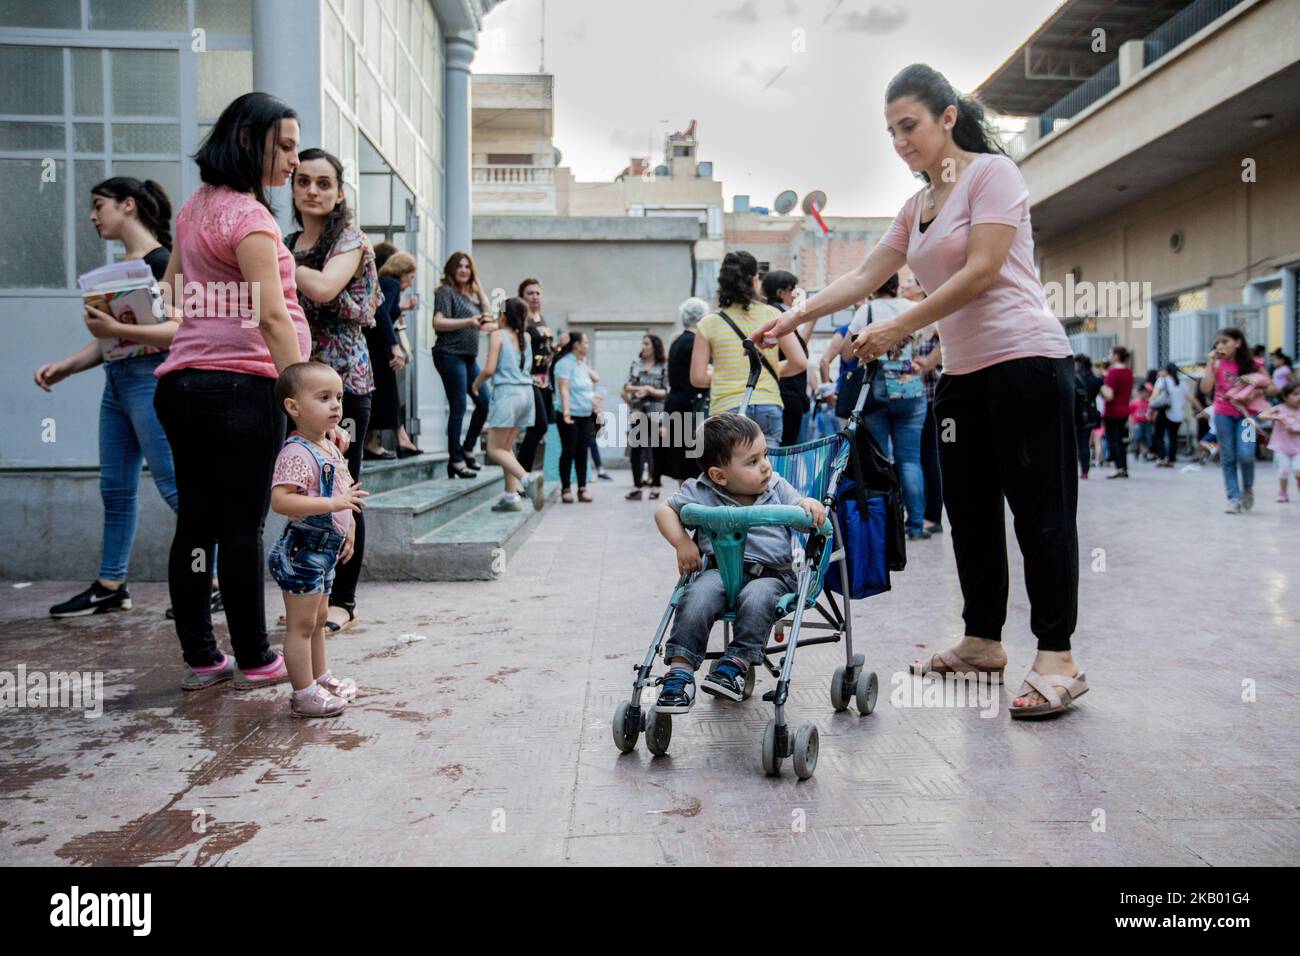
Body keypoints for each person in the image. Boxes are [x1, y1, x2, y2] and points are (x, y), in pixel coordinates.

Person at [755, 64, 1086, 718]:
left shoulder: (993, 176)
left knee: (1039, 512)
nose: (900, 141)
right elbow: (864, 275)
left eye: (909, 126)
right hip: (963, 377)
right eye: (891, 131)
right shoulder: (916, 208)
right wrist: (796, 316)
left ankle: (1059, 658)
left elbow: (984, 270)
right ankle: (983, 640)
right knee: (969, 510)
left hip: (1028, 364)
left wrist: (901, 326)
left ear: (947, 118)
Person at [154, 92, 312, 691]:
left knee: (196, 523)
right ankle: (254, 658)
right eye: (288, 146)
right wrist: (302, 404)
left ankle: (201, 656)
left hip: (183, 385)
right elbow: (274, 319)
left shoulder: (194, 210)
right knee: (242, 525)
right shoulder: (249, 218)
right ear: (249, 141)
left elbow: (169, 296)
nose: (294, 161)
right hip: (242, 388)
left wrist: (212, 316)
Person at [35, 177, 185, 618]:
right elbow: (111, 343)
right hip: (118, 383)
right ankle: (111, 585)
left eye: (99, 205)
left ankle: (211, 579)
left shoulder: (163, 262)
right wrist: (66, 366)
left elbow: (177, 331)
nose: (92, 215)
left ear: (128, 206)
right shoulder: (119, 269)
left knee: (175, 486)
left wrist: (115, 330)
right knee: (115, 489)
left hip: (152, 381)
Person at [651, 414, 827, 711]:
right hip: (719, 570)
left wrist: (809, 506)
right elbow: (664, 510)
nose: (766, 466)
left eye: (765, 455)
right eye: (752, 461)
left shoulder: (776, 487)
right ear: (719, 475)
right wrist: (682, 542)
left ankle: (735, 663)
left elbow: (800, 508)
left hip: (771, 575)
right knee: (695, 597)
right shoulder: (702, 490)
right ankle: (680, 673)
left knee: (757, 598)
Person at [286, 148, 383, 634]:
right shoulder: (287, 241)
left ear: (339, 192)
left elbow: (323, 288)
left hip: (343, 382)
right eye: (303, 181)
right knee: (303, 487)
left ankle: (344, 598)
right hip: (295, 380)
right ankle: (310, 590)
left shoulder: (349, 238)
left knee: (341, 486)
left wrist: (279, 261)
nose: (313, 190)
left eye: (324, 183)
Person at [267, 362, 366, 717]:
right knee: (301, 624)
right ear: (293, 407)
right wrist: (331, 504)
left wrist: (350, 527)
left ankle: (320, 677)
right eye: (324, 398)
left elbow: (345, 491)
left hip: (325, 550)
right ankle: (302, 693)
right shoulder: (296, 453)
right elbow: (281, 501)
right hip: (303, 550)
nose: (336, 406)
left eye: (338, 397)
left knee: (320, 617)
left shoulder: (328, 446)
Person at [693, 251, 807, 447]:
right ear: (755, 280)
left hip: (726, 406)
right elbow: (799, 363)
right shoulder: (773, 314)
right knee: (766, 471)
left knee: (731, 472)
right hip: (767, 402)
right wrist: (765, 371)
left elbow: (698, 378)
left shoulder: (708, 324)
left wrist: (726, 374)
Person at [850, 274, 926, 539]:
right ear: (895, 286)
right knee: (910, 461)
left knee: (880, 461)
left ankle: (885, 525)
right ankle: (916, 525)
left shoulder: (866, 311)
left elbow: (851, 351)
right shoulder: (913, 309)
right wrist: (925, 362)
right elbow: (939, 336)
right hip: (910, 389)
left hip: (876, 391)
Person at [473, 297, 545, 512]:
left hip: (507, 395)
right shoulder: (526, 337)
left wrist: (476, 385)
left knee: (494, 449)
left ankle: (526, 481)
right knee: (506, 448)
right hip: (526, 395)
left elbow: (488, 369)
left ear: (502, 315)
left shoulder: (497, 336)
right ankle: (510, 496)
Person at [433, 251, 495, 478]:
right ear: (451, 268)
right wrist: (468, 321)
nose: (463, 270)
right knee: (458, 405)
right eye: (459, 266)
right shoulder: (445, 291)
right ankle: (455, 460)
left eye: (467, 267)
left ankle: (468, 449)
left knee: (484, 402)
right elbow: (438, 322)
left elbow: (488, 316)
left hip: (468, 357)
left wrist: (479, 289)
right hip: (449, 354)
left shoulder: (470, 296)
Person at [1200, 327, 1272, 512]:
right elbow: (1205, 389)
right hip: (1223, 415)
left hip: (1247, 416)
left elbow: (1271, 388)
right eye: (1218, 342)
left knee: (1246, 455)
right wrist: (1210, 362)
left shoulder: (1253, 364)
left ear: (1238, 343)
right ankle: (1233, 498)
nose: (1220, 345)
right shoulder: (1216, 364)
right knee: (1228, 456)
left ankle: (1247, 488)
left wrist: (1255, 389)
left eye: (1225, 341)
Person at [362, 243, 415, 461]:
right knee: (385, 391)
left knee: (380, 391)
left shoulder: (384, 283)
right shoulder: (391, 283)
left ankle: (372, 442)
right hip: (377, 345)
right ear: (401, 271)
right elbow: (382, 314)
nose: (411, 281)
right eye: (410, 276)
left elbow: (383, 310)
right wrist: (395, 346)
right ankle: (380, 442)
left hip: (372, 342)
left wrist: (402, 308)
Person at [660, 298, 710, 485]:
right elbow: (700, 375)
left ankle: (684, 499)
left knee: (681, 460)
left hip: (675, 403)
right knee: (693, 459)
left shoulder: (677, 341)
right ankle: (691, 503)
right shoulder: (695, 343)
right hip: (692, 405)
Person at [762, 269, 812, 446]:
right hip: (787, 393)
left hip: (791, 393)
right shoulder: (779, 316)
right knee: (789, 451)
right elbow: (798, 360)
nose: (796, 294)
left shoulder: (782, 316)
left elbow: (797, 350)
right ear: (780, 292)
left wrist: (811, 320)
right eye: (793, 289)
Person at [515, 278, 557, 474]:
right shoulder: (522, 320)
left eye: (537, 293)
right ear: (522, 297)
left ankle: (523, 474)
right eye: (529, 293)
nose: (534, 296)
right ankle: (521, 473)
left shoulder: (542, 319)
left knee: (540, 427)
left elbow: (546, 349)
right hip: (529, 379)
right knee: (538, 426)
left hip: (545, 380)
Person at [553, 331, 599, 502]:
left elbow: (596, 378)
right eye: (585, 342)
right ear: (577, 345)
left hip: (585, 414)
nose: (588, 345)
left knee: (582, 451)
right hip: (569, 415)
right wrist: (566, 412)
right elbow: (564, 389)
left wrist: (584, 364)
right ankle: (566, 488)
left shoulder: (581, 364)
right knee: (568, 451)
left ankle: (582, 488)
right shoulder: (564, 364)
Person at [622, 333, 669, 499]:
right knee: (636, 449)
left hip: (657, 411)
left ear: (655, 346)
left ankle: (656, 485)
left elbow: (666, 391)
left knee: (656, 449)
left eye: (646, 343)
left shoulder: (664, 365)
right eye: (643, 343)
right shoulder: (636, 364)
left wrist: (650, 390)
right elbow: (627, 386)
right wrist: (638, 390)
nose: (643, 346)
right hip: (637, 409)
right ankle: (637, 487)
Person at [912, 324, 944, 529]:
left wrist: (926, 362)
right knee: (922, 456)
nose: (904, 288)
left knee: (930, 456)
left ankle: (933, 515)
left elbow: (932, 362)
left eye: (909, 287)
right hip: (917, 400)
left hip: (932, 399)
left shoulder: (935, 322)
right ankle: (924, 513)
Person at [1259, 383, 1300, 502]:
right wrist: (1276, 417)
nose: (1299, 397)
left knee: (1298, 469)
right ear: (1285, 397)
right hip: (1281, 446)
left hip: (1298, 447)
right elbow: (1262, 415)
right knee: (1284, 470)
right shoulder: (1280, 408)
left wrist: (1295, 430)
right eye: (1295, 394)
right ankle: (1283, 492)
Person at [1100, 345, 1134, 478]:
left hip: (1113, 410)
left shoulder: (1113, 372)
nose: (1109, 357)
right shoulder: (1129, 372)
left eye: (1110, 354)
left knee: (1112, 440)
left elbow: (1109, 395)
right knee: (1120, 440)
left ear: (1116, 356)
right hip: (1125, 409)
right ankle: (1124, 468)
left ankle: (1119, 467)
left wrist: (1101, 386)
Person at [1151, 363, 1188, 467]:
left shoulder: (1162, 380)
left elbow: (1154, 395)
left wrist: (1150, 409)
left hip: (1164, 411)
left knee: (1159, 435)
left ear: (1166, 371)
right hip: (1178, 414)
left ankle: (1162, 458)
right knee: (1173, 437)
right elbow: (1189, 398)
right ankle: (1171, 460)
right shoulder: (1182, 383)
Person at [1072, 354, 1102, 479]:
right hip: (1088, 415)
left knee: (1071, 444)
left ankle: (1072, 470)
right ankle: (1085, 471)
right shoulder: (1095, 379)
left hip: (1072, 415)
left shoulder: (1071, 378)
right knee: (1084, 443)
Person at [1130, 376, 1154, 463]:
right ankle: (1135, 452)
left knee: (1147, 438)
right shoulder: (1134, 402)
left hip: (1147, 422)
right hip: (1137, 423)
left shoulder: (1149, 402)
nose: (1144, 394)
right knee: (1137, 438)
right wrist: (1131, 425)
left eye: (1145, 392)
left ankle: (1144, 454)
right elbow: (1131, 415)